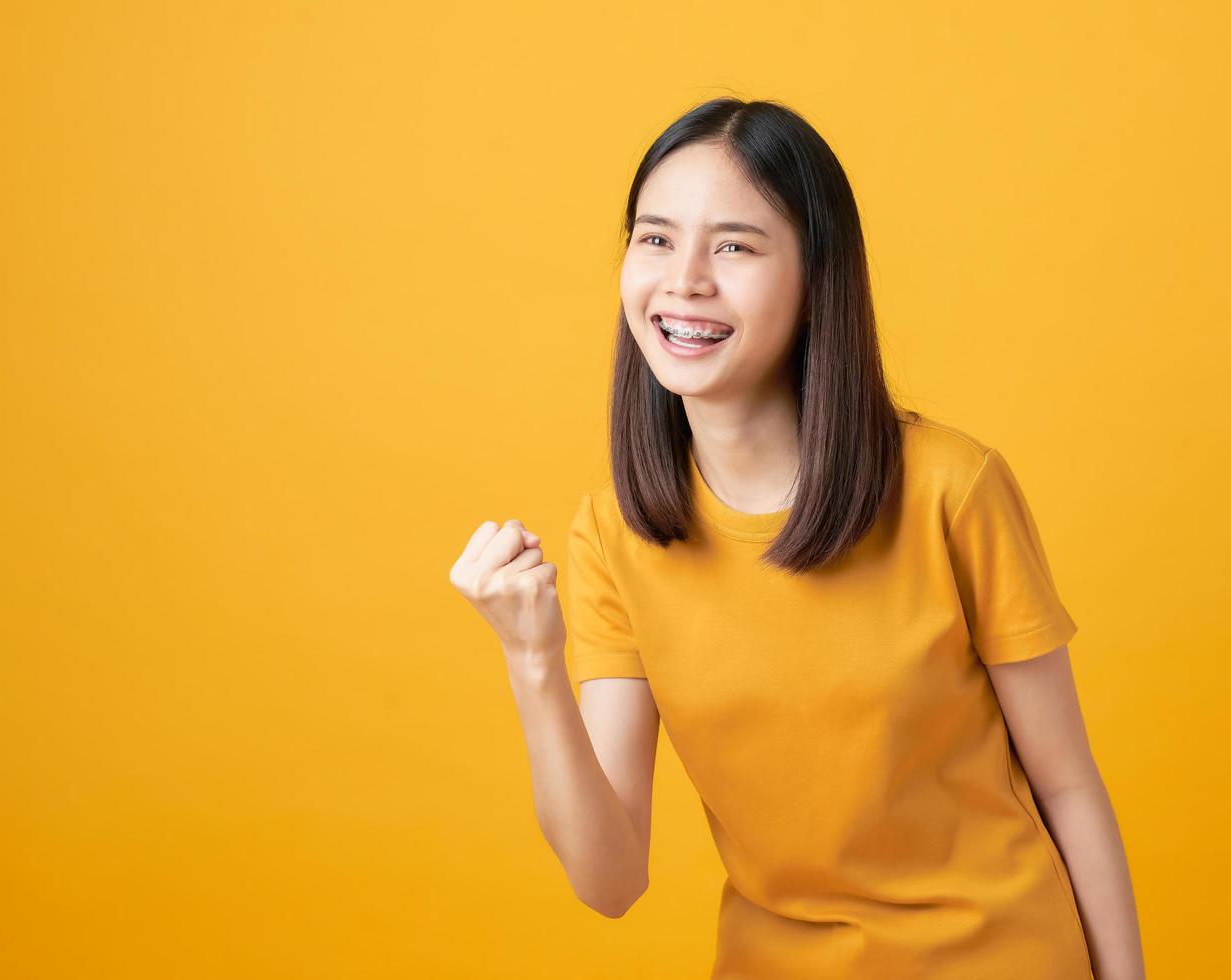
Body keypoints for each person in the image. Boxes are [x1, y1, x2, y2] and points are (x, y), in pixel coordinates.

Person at [449, 98, 1144, 979]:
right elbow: (610, 879)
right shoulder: (612, 539)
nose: (685, 280)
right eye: (654, 238)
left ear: (817, 279)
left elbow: (1067, 785)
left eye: (733, 245)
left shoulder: (948, 488)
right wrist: (532, 659)